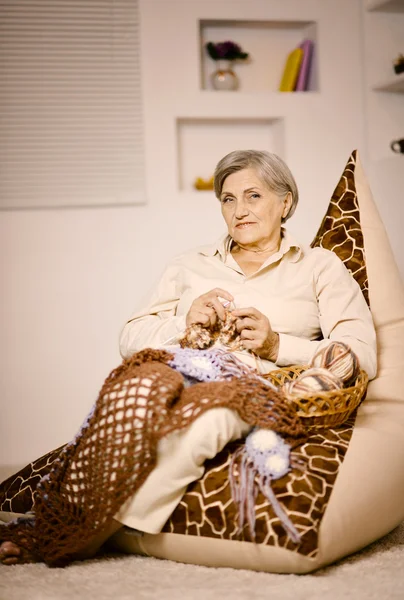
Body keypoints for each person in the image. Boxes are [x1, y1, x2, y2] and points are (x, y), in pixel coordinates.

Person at [0, 150, 377, 566]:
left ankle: (86, 533)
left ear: (285, 202)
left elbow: (358, 352)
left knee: (205, 421)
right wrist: (184, 322)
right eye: (228, 199)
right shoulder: (189, 265)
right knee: (131, 394)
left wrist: (276, 345)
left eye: (253, 196)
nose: (239, 210)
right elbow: (130, 337)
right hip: (179, 367)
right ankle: (60, 515)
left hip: (254, 384)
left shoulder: (318, 266)